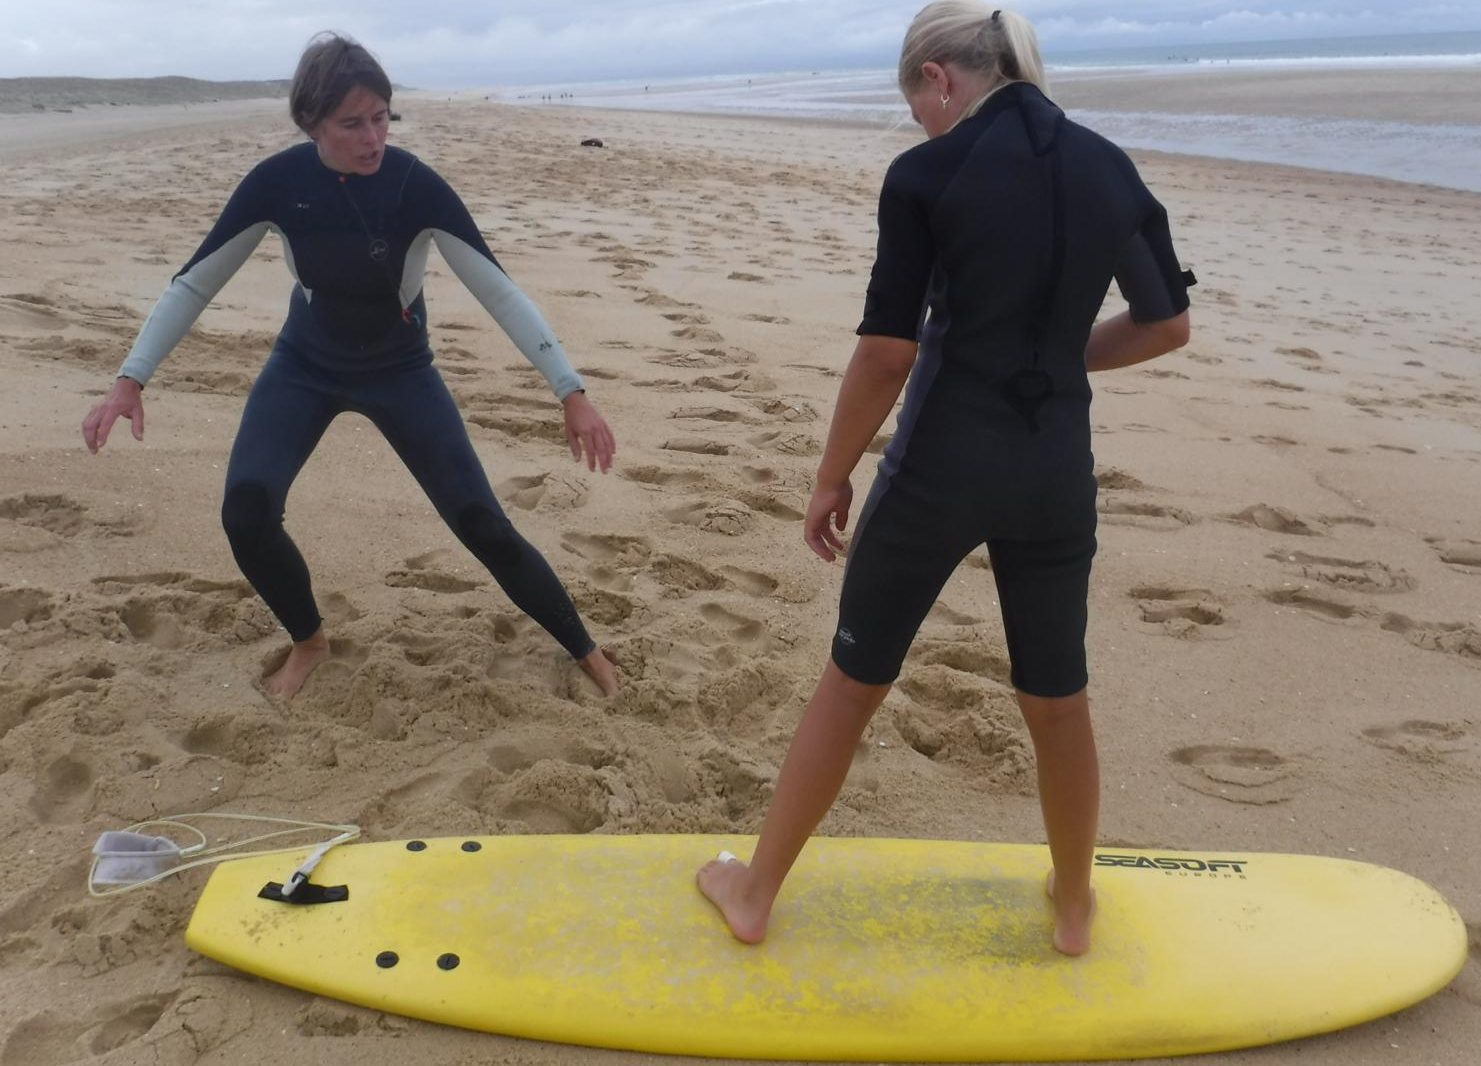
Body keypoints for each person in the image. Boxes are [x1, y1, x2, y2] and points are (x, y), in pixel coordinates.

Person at [697, 2, 1194, 955]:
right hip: (1054, 470)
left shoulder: (927, 174)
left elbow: (887, 353)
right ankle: (1075, 905)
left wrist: (830, 475)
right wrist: (1055, 356)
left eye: (917, 105)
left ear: (939, 77)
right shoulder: (1108, 166)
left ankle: (754, 894)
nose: (922, 125)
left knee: (854, 680)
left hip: (939, 467)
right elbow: (1167, 324)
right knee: (1058, 695)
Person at [80, 33, 620, 699]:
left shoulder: (415, 187)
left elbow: (499, 291)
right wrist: (129, 381)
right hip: (305, 366)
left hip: (402, 371)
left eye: (382, 117)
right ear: (311, 124)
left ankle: (585, 648)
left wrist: (571, 391)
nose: (373, 139)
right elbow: (194, 283)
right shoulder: (277, 184)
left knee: (482, 523)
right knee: (246, 512)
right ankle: (309, 639)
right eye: (352, 123)